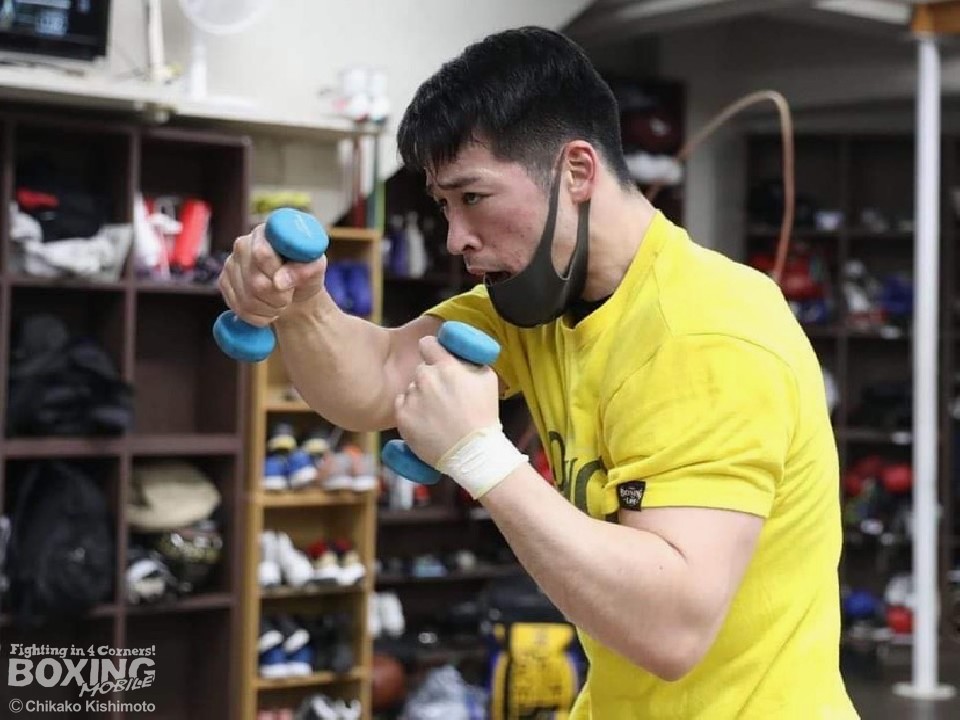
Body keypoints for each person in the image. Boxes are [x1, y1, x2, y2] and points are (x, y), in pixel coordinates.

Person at [219, 26, 859, 720]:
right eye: (443, 205)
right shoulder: (544, 300)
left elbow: (672, 628)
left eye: (473, 197)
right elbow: (374, 380)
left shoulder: (705, 333)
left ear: (576, 172)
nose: (455, 238)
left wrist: (479, 456)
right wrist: (299, 302)